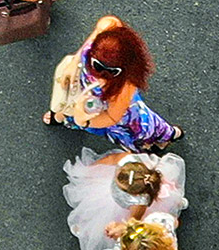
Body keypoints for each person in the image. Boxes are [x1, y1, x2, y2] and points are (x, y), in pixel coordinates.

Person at [45, 14, 178, 152]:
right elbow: (108, 22)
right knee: (75, 106)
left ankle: (170, 135)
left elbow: (112, 117)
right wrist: (76, 60)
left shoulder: (126, 86)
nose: (101, 78)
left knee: (141, 129)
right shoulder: (105, 39)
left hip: (113, 113)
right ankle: (66, 115)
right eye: (97, 66)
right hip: (92, 99)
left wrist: (83, 121)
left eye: (112, 71)